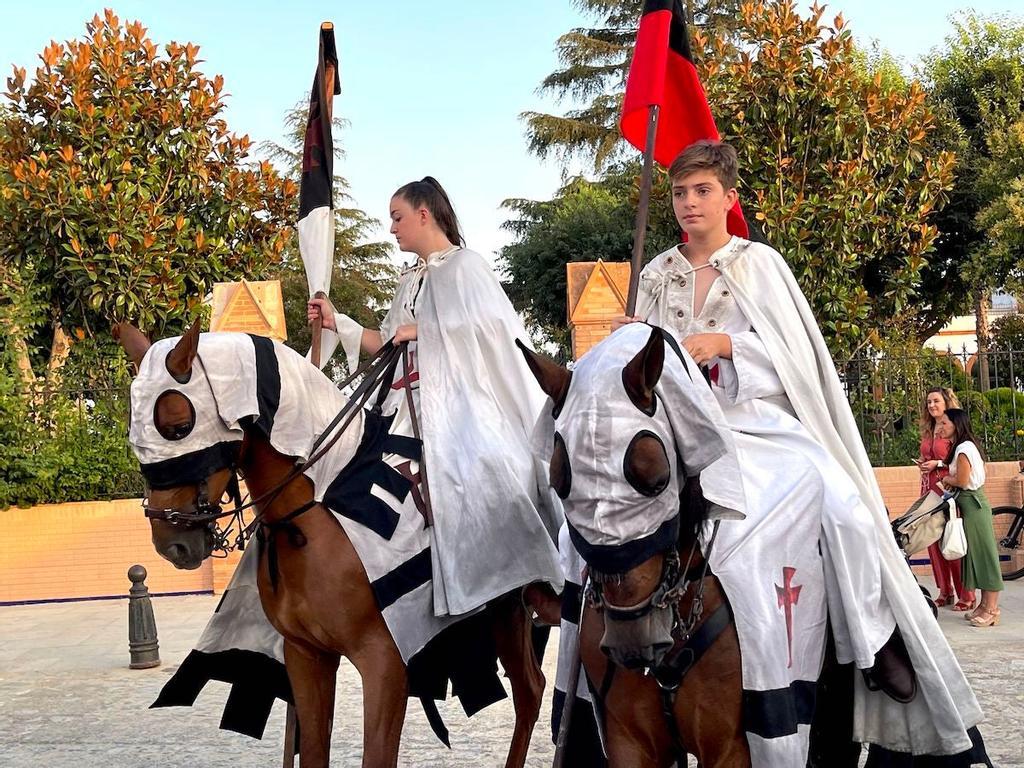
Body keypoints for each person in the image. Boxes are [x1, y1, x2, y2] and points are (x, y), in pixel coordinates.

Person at [615, 140, 985, 760]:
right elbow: (642, 363)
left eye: (702, 191)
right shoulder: (655, 274)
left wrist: (728, 347)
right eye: (679, 193)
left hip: (757, 421)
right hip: (680, 427)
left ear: (729, 199)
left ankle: (875, 640)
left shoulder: (758, 264)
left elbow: (797, 357)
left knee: (843, 505)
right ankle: (583, 634)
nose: (687, 204)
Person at [307, 176, 563, 618]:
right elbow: (386, 342)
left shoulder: (467, 267)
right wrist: (338, 322)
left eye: (397, 217)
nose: (391, 228)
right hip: (399, 406)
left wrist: (424, 332)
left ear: (424, 215)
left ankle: (527, 580)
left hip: (461, 406)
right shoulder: (409, 280)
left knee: (492, 474)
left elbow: (496, 332)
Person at [937, 408, 1003, 627]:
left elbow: (964, 481)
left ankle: (992, 609)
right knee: (974, 555)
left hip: (974, 505)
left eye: (945, 423)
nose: (941, 427)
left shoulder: (964, 449)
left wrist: (948, 477)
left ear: (956, 424)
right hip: (969, 506)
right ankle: (984, 605)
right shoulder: (964, 447)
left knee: (984, 555)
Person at [917, 387, 974, 611]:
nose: (931, 405)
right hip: (928, 491)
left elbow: (960, 458)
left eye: (936, 401)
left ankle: (966, 595)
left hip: (948, 490)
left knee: (953, 539)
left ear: (946, 402)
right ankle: (945, 590)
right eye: (929, 402)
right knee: (933, 541)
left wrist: (938, 464)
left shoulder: (954, 428)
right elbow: (927, 455)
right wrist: (923, 462)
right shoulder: (929, 429)